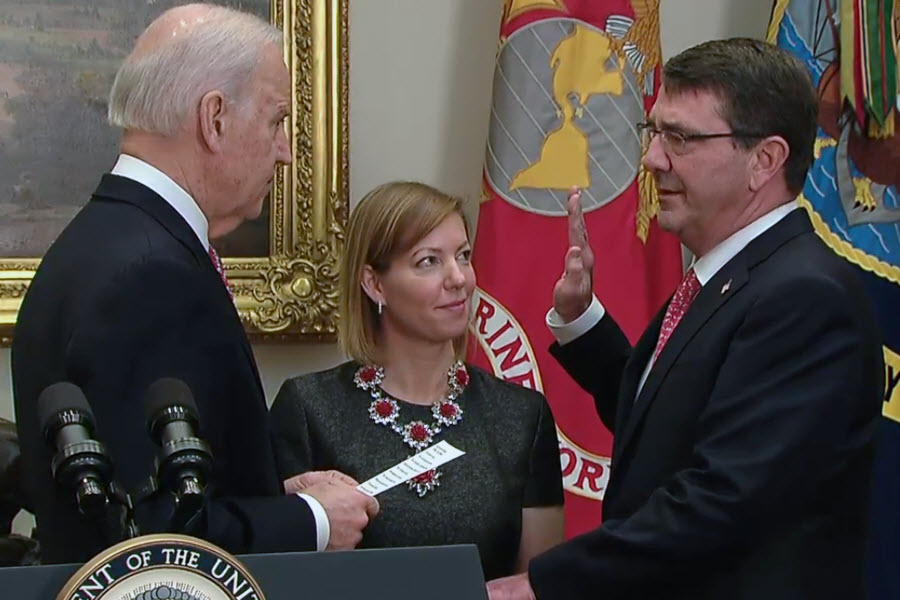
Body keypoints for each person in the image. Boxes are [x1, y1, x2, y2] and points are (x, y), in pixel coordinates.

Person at [487, 38, 884, 600]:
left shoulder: (807, 299)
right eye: (655, 132)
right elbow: (669, 425)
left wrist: (544, 584)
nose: (652, 159)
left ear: (764, 160)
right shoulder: (733, 273)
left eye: (681, 138)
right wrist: (582, 322)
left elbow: (723, 499)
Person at [11, 3, 376, 564]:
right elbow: (149, 542)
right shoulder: (148, 274)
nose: (283, 151)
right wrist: (313, 521)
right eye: (276, 121)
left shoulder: (105, 239)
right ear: (215, 119)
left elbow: (159, 490)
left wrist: (268, 498)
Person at [269, 181, 565, 580]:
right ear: (375, 284)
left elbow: (536, 585)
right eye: (429, 261)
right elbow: (278, 574)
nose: (458, 278)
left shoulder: (521, 416)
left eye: (463, 255)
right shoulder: (309, 408)